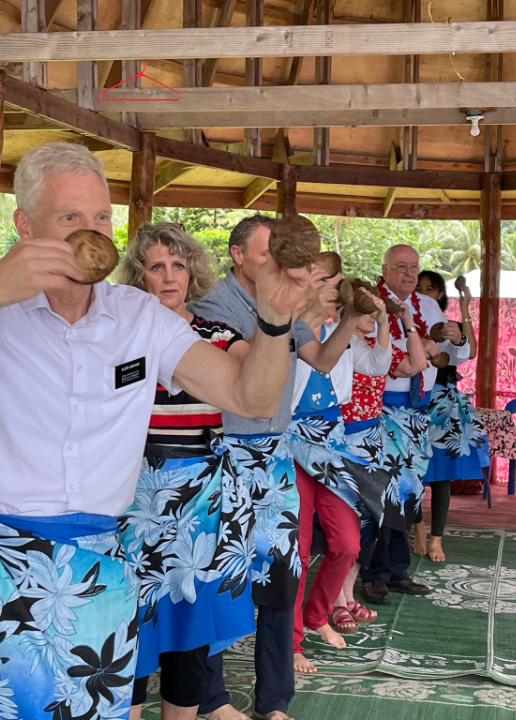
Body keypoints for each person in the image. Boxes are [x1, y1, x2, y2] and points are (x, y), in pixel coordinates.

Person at [0, 142, 312, 720]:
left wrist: (275, 322)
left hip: (101, 561)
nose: (93, 232)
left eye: (102, 216)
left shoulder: (139, 316)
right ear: (26, 226)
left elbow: (248, 396)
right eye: (70, 218)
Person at [191, 215, 343, 720]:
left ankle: (274, 700)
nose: (276, 265)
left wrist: (344, 316)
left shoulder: (276, 298)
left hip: (274, 453)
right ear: (237, 255)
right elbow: (247, 370)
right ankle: (211, 699)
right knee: (218, 578)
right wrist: (283, 311)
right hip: (224, 452)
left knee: (281, 576)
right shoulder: (211, 308)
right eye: (266, 255)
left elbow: (318, 358)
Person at [117, 222, 255, 720]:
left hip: (198, 501)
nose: (169, 276)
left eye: (179, 265)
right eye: (156, 266)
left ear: (193, 272)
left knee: (189, 622)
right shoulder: (117, 334)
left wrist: (281, 321)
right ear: (139, 275)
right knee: (127, 620)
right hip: (128, 498)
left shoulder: (216, 335)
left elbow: (254, 374)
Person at [288, 259, 390, 675]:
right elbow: (317, 366)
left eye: (336, 282)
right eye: (328, 281)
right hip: (290, 443)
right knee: (297, 547)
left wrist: (381, 319)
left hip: (333, 442)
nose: (335, 288)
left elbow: (378, 365)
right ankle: (292, 641)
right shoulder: (287, 328)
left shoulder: (337, 332)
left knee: (347, 543)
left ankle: (316, 616)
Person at [361, 244, 469, 605]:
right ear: (385, 269)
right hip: (382, 407)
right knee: (382, 493)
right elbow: (393, 355)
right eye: (401, 267)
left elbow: (452, 357)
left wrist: (457, 338)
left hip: (418, 410)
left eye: (414, 267)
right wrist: (426, 343)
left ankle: (397, 570)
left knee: (408, 492)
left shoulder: (427, 305)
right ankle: (374, 573)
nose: (409, 274)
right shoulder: (373, 303)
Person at [334, 293, 428, 634]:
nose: (374, 317)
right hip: (345, 439)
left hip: (374, 438)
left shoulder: (376, 346)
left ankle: (349, 591)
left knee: (382, 513)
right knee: (356, 519)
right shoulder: (337, 343)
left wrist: (405, 322)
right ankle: (341, 596)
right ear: (346, 311)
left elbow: (416, 365)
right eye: (368, 312)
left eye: (376, 312)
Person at [413, 271, 488, 562]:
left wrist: (466, 310)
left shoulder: (448, 326)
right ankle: (418, 525)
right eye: (418, 289)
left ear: (440, 295)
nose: (423, 294)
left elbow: (468, 353)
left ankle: (436, 538)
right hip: (413, 402)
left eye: (429, 289)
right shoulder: (404, 324)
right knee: (413, 472)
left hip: (443, 404)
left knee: (442, 475)